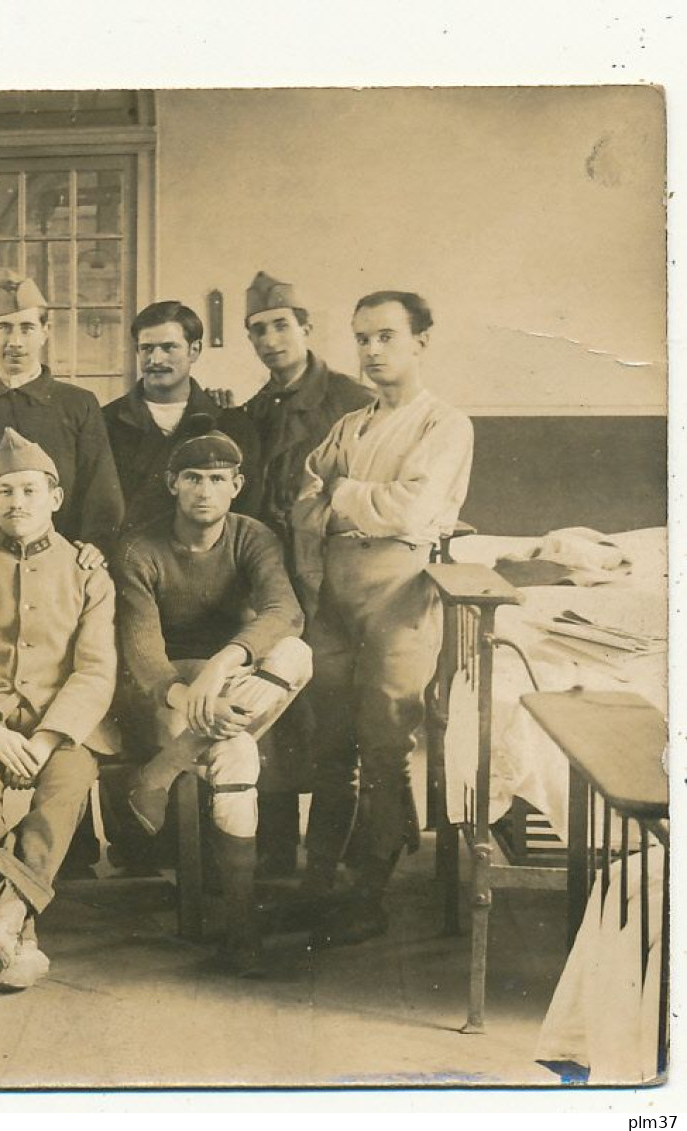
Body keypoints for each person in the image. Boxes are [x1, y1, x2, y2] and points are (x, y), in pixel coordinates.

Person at [291, 290, 473, 948]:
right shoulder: (349, 425)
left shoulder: (444, 425)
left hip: (399, 593)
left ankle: (367, 894)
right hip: (335, 593)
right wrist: (349, 503)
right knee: (327, 743)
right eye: (361, 337)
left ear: (420, 341)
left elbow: (411, 513)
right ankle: (316, 887)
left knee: (383, 748)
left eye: (385, 337)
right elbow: (304, 497)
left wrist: (341, 497)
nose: (370, 350)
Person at [111, 420, 312, 973]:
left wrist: (222, 665)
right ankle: (243, 932)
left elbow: (284, 613)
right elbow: (145, 659)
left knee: (298, 653)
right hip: (168, 696)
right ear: (173, 482)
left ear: (237, 485)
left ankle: (162, 772)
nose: (205, 490)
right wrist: (190, 688)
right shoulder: (140, 549)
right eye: (193, 478)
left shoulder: (253, 536)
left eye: (217, 478)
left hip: (227, 688)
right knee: (240, 752)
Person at [0, 429, 117, 992]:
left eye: (30, 490)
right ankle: (17, 936)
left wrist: (44, 740)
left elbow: (95, 670)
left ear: (55, 498)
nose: (18, 503)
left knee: (70, 782)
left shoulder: (88, 571)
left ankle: (6, 921)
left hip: (58, 727)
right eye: (6, 491)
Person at [238, 273, 374, 878]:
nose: (270, 340)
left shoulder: (351, 402)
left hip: (332, 583)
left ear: (306, 328)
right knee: (269, 718)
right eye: (258, 330)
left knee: (331, 722)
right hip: (270, 584)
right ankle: (271, 858)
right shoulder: (252, 411)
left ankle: (324, 862)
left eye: (280, 326)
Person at [0, 273, 123, 560]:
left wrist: (97, 543)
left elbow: (101, 484)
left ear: (45, 332)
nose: (15, 341)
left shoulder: (78, 404)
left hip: (66, 561)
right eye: (4, 327)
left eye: (27, 328)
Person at [103, 301, 259, 533]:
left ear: (194, 350)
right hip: (129, 554)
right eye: (146, 348)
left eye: (168, 348)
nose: (155, 359)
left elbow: (248, 508)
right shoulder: (106, 421)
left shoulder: (231, 423)